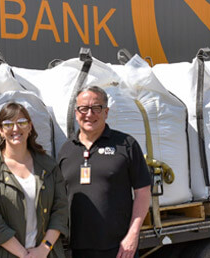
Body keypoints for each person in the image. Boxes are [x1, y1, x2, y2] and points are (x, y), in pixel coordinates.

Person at [58, 86, 152, 258]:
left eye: (96, 108)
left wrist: (132, 235)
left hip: (119, 248)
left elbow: (143, 192)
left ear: (106, 112)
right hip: (78, 248)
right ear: (76, 112)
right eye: (83, 108)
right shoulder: (66, 150)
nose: (89, 114)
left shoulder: (125, 144)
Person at [0, 102, 69, 258]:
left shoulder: (48, 165)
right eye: (8, 124)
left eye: (22, 123)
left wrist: (44, 249)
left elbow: (61, 210)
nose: (16, 129)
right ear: (0, 131)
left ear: (30, 127)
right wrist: (24, 255)